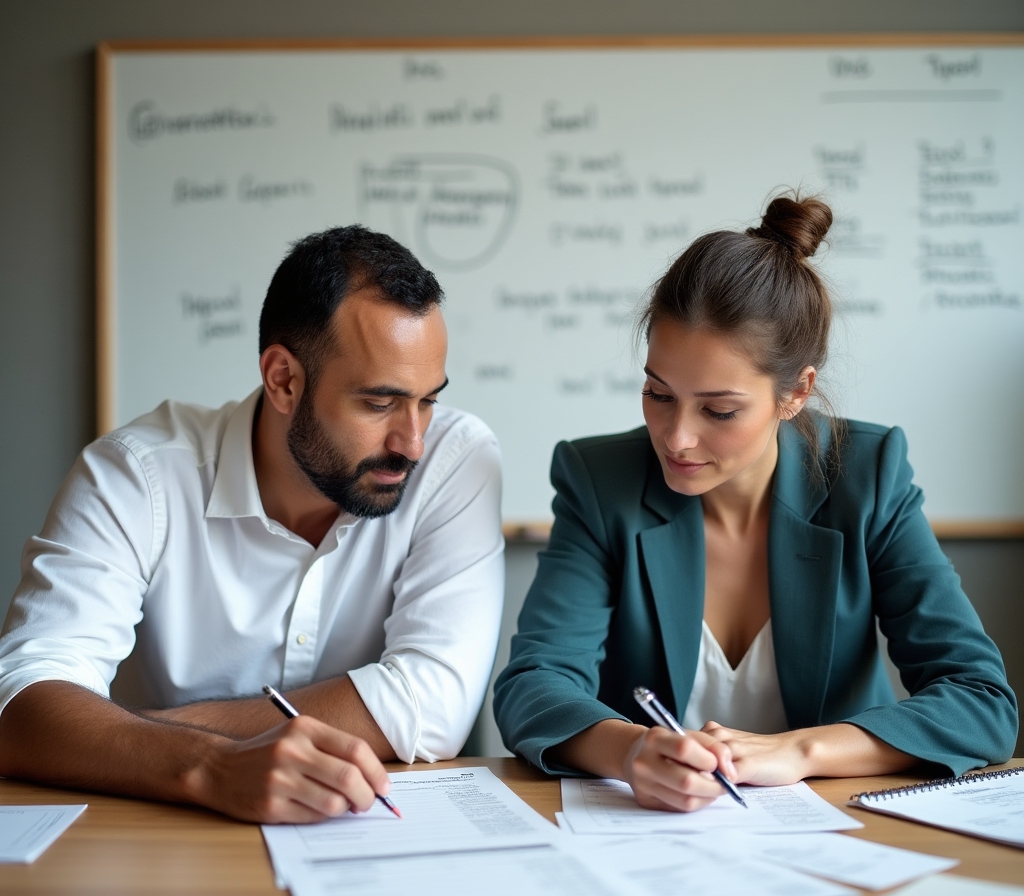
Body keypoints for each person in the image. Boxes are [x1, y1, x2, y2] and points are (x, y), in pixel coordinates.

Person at [493, 195, 1017, 812]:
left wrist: (800, 752)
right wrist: (631, 752)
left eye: (719, 410)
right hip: (649, 836)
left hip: (843, 832)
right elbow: (533, 685)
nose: (678, 437)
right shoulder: (600, 480)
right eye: (657, 394)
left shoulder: (867, 474)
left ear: (796, 393)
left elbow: (980, 701)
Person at [0, 226, 504, 823]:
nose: (414, 442)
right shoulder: (136, 475)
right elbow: (24, 703)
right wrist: (207, 765)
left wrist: (117, 731)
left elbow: (434, 706)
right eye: (379, 403)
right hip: (163, 837)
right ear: (284, 379)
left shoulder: (456, 459)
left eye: (428, 400)